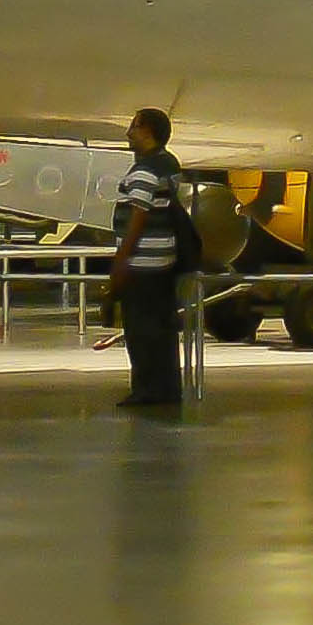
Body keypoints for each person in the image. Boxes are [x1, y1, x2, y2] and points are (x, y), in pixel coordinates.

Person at [108, 107, 183, 408]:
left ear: (147, 131)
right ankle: (166, 387)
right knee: (162, 330)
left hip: (143, 263)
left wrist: (121, 258)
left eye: (134, 127)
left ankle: (147, 389)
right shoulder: (170, 164)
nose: (129, 133)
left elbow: (139, 215)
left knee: (140, 331)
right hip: (164, 259)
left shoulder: (145, 170)